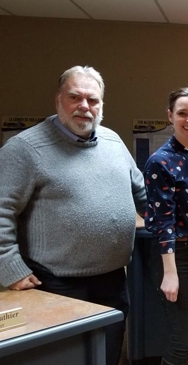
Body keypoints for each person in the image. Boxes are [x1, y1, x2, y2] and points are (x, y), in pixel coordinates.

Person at [0, 65, 146, 365]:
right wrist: (9, 267)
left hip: (113, 279)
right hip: (54, 283)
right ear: (58, 100)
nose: (84, 106)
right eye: (75, 97)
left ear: (101, 105)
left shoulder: (113, 141)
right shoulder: (24, 149)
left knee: (106, 355)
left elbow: (141, 193)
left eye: (93, 100)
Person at [144, 87, 188, 365]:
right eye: (182, 113)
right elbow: (163, 221)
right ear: (170, 116)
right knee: (181, 343)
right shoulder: (160, 161)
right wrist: (170, 273)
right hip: (175, 258)